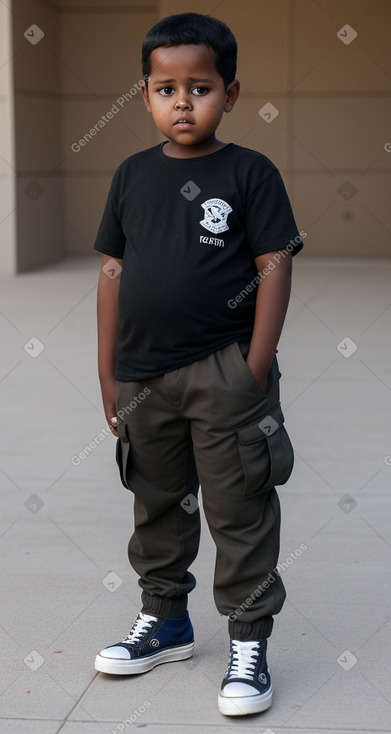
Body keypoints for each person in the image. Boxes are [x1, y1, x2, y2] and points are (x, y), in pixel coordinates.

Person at [93, 11, 304, 717]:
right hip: (142, 377)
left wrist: (253, 365)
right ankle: (167, 622)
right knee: (155, 502)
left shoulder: (248, 171)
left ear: (230, 93)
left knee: (237, 507)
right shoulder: (130, 175)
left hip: (222, 371)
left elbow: (272, 264)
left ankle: (247, 642)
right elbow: (113, 272)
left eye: (200, 87)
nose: (182, 101)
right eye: (165, 88)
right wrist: (106, 373)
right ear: (145, 95)